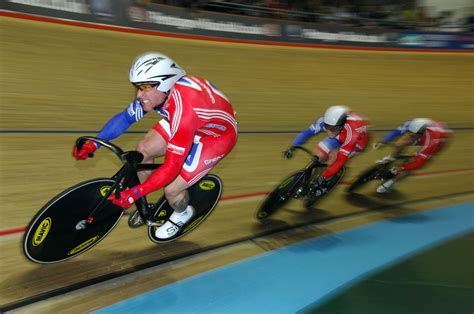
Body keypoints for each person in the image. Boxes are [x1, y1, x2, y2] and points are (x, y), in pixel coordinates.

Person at [73, 52, 238, 239]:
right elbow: (126, 118)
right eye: (137, 87)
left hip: (214, 138)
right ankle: (141, 201)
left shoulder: (184, 113)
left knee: (172, 189)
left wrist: (134, 192)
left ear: (165, 84)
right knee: (143, 151)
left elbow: (172, 166)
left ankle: (183, 213)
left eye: (144, 88)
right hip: (189, 122)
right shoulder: (163, 94)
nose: (139, 94)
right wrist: (95, 143)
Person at [284, 105, 369, 196]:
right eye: (327, 127)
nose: (328, 132)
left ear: (341, 125)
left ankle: (323, 186)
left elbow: (341, 160)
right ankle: (309, 180)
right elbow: (307, 133)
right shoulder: (324, 121)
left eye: (332, 129)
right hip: (339, 136)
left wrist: (324, 177)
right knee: (317, 155)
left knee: (333, 157)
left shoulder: (351, 132)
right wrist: (293, 146)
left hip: (357, 143)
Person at [373, 118, 450, 193]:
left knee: (411, 162)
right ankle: (392, 157)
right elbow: (396, 132)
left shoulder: (431, 143)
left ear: (420, 134)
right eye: (410, 133)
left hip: (438, 141)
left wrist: (401, 168)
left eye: (413, 136)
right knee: (400, 143)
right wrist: (383, 141)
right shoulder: (411, 124)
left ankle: (391, 183)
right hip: (425, 133)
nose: (410, 137)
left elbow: (420, 163)